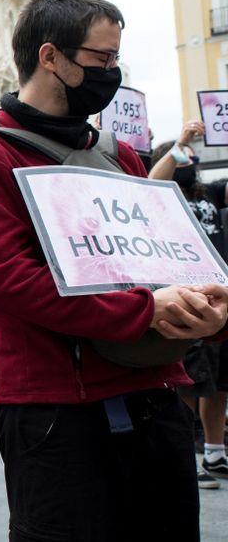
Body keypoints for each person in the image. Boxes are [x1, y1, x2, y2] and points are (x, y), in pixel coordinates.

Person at [0, 0, 228, 540]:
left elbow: (169, 261)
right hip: (56, 416)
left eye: (117, 59)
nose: (112, 72)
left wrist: (211, 306)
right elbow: (12, 283)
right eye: (102, 60)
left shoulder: (121, 155)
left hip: (157, 400)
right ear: (50, 56)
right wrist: (144, 312)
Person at [150, 130, 228, 489]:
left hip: (218, 297)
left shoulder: (207, 193)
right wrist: (180, 143)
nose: (190, 162)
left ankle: (214, 451)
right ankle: (185, 455)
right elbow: (152, 182)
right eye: (183, 157)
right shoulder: (161, 198)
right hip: (184, 294)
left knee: (219, 383)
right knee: (186, 381)